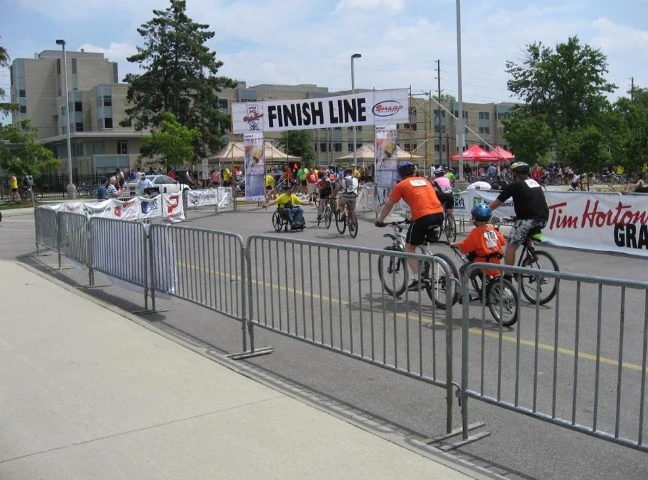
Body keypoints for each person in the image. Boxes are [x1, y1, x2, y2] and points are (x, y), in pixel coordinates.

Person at [375, 162, 445, 290]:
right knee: (422, 240)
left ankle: (418, 279)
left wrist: (380, 220)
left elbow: (388, 205)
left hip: (423, 216)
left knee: (409, 247)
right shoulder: (425, 180)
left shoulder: (401, 185)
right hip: (439, 214)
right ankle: (426, 262)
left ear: (400, 174)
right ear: (414, 171)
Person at [488, 161, 549, 270]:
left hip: (527, 219)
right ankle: (532, 255)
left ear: (515, 173)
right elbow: (532, 202)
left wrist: (483, 211)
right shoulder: (535, 183)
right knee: (526, 232)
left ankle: (507, 277)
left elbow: (497, 203)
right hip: (543, 218)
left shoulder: (515, 185)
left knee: (510, 247)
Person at [450, 203, 506, 281]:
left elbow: (465, 246)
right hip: (495, 261)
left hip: (481, 263)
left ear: (474, 218)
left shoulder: (476, 232)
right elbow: (502, 242)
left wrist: (454, 244)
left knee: (462, 271)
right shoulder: (492, 229)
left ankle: (462, 291)